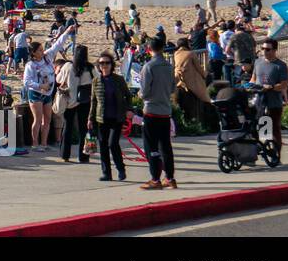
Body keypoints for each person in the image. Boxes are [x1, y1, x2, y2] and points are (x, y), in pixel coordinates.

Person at [138, 42, 177, 189]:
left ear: (149, 49)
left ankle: (155, 178)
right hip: (165, 110)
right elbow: (173, 87)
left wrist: (141, 95)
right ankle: (170, 177)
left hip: (152, 109)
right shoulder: (169, 66)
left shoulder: (149, 66)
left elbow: (145, 91)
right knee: (165, 146)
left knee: (151, 146)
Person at [88, 53, 130, 181]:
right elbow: (93, 101)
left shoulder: (118, 80)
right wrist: (90, 118)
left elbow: (128, 96)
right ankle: (106, 173)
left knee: (113, 144)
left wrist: (129, 110)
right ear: (98, 66)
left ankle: (121, 169)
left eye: (107, 63)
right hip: (101, 118)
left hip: (117, 118)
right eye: (101, 63)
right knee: (103, 145)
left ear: (112, 65)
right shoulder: (96, 81)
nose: (104, 65)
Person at [56, 46, 94, 163]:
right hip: (85, 101)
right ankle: (85, 156)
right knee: (86, 129)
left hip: (70, 101)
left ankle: (64, 155)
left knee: (67, 127)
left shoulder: (67, 66)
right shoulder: (90, 68)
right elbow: (98, 81)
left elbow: (58, 79)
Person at [255, 39, 288, 161]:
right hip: (260, 102)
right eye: (263, 48)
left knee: (275, 129)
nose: (265, 51)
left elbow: (284, 84)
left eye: (268, 49)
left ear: (275, 50)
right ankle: (263, 151)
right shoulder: (258, 62)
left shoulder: (280, 65)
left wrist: (271, 87)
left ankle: (276, 155)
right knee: (262, 130)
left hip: (274, 103)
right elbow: (253, 79)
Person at [23, 42, 55, 152]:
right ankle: (35, 144)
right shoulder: (30, 65)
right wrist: (40, 86)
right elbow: (26, 82)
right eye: (40, 50)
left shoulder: (47, 59)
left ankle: (44, 144)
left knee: (47, 119)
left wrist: (67, 31)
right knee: (37, 119)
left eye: (42, 49)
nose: (43, 52)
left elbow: (57, 45)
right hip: (36, 93)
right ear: (33, 52)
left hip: (48, 93)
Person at [173, 39, 212, 126]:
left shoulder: (176, 54)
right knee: (202, 93)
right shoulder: (191, 54)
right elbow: (199, 68)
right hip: (189, 81)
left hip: (178, 80)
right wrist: (205, 75)